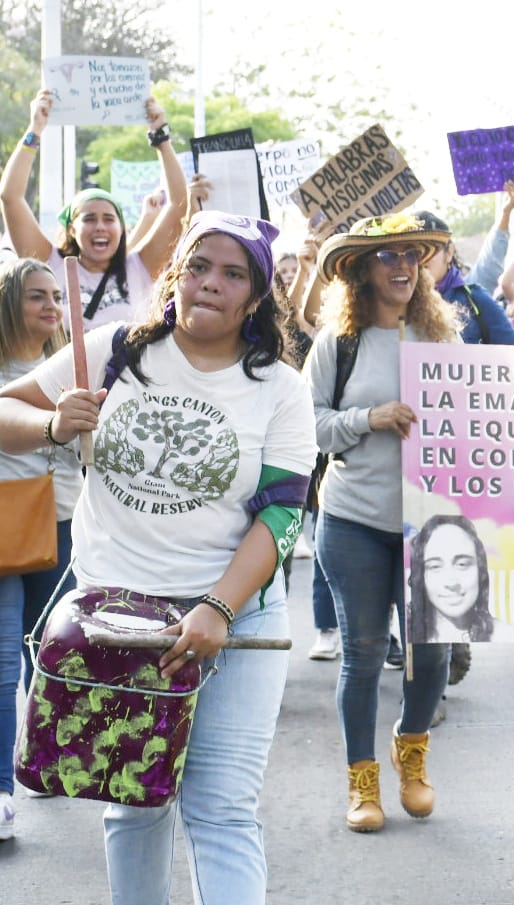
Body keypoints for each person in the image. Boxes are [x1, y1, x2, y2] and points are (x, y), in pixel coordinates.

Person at [0, 210, 317, 900]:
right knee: (137, 803)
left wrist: (218, 605)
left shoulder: (282, 390)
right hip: (119, 618)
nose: (210, 283)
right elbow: (4, 410)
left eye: (233, 274)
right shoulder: (114, 349)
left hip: (235, 625)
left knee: (223, 809)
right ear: (176, 273)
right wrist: (53, 422)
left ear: (257, 296)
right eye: (199, 265)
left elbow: (284, 514)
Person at [305, 213, 460, 832]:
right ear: (363, 270)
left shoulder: (441, 338)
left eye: (409, 256)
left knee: (436, 654)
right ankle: (362, 782)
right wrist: (369, 417)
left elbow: (496, 395)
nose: (400, 266)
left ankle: (411, 749)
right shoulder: (337, 344)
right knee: (364, 656)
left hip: (431, 527)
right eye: (386, 256)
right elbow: (308, 425)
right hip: (353, 523)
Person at [0, 258, 82, 838]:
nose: (51, 306)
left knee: (53, 654)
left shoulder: (75, 367)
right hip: (4, 527)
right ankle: (1, 792)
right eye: (36, 296)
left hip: (67, 527)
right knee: (5, 657)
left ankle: (45, 757)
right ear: (8, 303)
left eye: (57, 295)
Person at [0, 89, 188, 330]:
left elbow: (179, 204)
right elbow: (10, 197)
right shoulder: (49, 263)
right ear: (71, 228)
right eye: (89, 218)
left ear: (121, 228)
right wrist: (35, 129)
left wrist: (161, 139)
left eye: (109, 218)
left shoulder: (139, 267)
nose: (100, 226)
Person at [413, 210, 514, 346]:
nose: (422, 258)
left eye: (430, 249)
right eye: (413, 252)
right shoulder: (395, 304)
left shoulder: (475, 300)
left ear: (449, 252)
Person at [406, 515, 493, 643]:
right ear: (420, 576)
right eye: (435, 566)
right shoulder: (405, 634)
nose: (451, 583)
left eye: (462, 564)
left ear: (481, 572)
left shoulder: (507, 634)